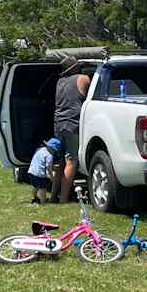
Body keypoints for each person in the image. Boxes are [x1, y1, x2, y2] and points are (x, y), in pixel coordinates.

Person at [54, 56, 91, 204]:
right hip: (72, 124)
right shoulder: (83, 78)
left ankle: (52, 197)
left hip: (58, 123)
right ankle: (63, 199)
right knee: (71, 161)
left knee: (60, 162)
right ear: (75, 67)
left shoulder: (60, 82)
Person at [24, 137, 61, 204]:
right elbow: (48, 168)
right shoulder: (49, 156)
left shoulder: (40, 149)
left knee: (35, 186)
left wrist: (53, 167)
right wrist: (51, 177)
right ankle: (43, 202)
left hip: (31, 172)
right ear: (53, 149)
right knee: (43, 189)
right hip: (39, 174)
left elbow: (41, 162)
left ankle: (33, 197)